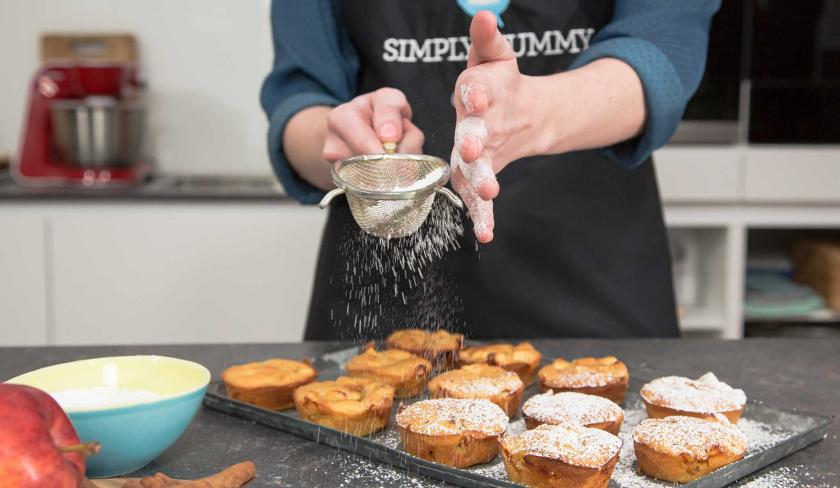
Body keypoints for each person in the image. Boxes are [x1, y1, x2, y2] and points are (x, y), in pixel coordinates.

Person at [261, 1, 720, 340]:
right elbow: (301, 99)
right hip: (382, 309)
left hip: (597, 299)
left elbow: (662, 54)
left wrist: (535, 113)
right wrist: (347, 147)